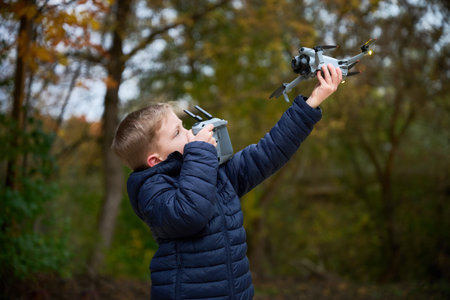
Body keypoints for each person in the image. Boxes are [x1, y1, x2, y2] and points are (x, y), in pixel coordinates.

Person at [111, 64, 342, 300]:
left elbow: (267, 154)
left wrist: (311, 103)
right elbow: (189, 214)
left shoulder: (212, 173)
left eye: (183, 126)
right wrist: (200, 152)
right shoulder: (151, 192)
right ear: (154, 160)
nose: (190, 133)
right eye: (177, 133)